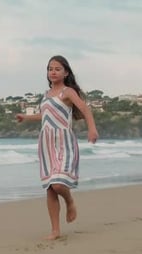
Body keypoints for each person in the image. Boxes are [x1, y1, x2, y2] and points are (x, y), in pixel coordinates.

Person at [16, 55, 99, 240]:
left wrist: (92, 128)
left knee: (58, 184)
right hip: (46, 143)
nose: (52, 72)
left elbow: (85, 109)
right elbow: (44, 115)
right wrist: (26, 117)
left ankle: (70, 201)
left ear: (66, 72)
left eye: (57, 69)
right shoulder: (46, 95)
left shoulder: (67, 92)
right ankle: (55, 230)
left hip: (64, 141)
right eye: (50, 69)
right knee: (50, 187)